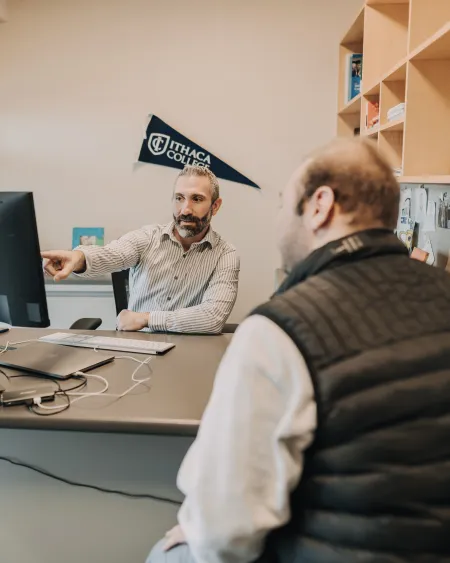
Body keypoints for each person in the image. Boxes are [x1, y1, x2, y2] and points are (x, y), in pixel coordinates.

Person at [147, 138, 450, 563]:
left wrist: (197, 528)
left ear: (320, 205)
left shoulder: (278, 329)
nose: (278, 220)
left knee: (167, 553)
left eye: (283, 204)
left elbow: (224, 532)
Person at [42, 165, 239, 334]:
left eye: (197, 199)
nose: (185, 209)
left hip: (188, 354)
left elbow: (213, 317)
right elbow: (113, 253)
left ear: (215, 206)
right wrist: (79, 257)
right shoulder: (148, 237)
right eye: (179, 198)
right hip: (137, 351)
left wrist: (147, 319)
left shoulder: (226, 255)